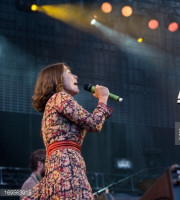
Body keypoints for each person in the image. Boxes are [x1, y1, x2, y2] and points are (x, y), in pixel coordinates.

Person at [24, 63, 113, 199]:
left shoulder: (52, 105)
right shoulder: (59, 97)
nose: (75, 76)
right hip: (67, 165)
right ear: (57, 79)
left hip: (58, 166)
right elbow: (94, 123)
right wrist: (103, 98)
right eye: (68, 72)